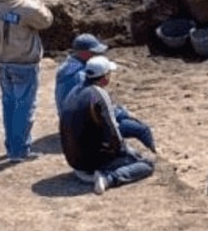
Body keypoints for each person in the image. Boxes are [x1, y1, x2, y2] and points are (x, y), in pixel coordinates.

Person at [0, 0, 54, 162]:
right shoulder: (25, 5)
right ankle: (19, 150)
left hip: (0, 59)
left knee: (9, 104)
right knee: (23, 106)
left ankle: (12, 146)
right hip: (22, 62)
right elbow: (47, 20)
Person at [59, 56, 155, 194]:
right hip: (90, 164)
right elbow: (113, 131)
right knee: (147, 165)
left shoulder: (74, 91)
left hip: (74, 162)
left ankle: (103, 171)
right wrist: (125, 153)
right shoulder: (99, 94)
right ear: (104, 78)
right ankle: (108, 178)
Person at [55, 33, 156, 152]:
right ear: (84, 53)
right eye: (94, 52)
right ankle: (154, 153)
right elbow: (96, 106)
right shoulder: (81, 79)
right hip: (84, 125)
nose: (97, 55)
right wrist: (124, 113)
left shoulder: (67, 68)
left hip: (68, 119)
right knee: (141, 129)